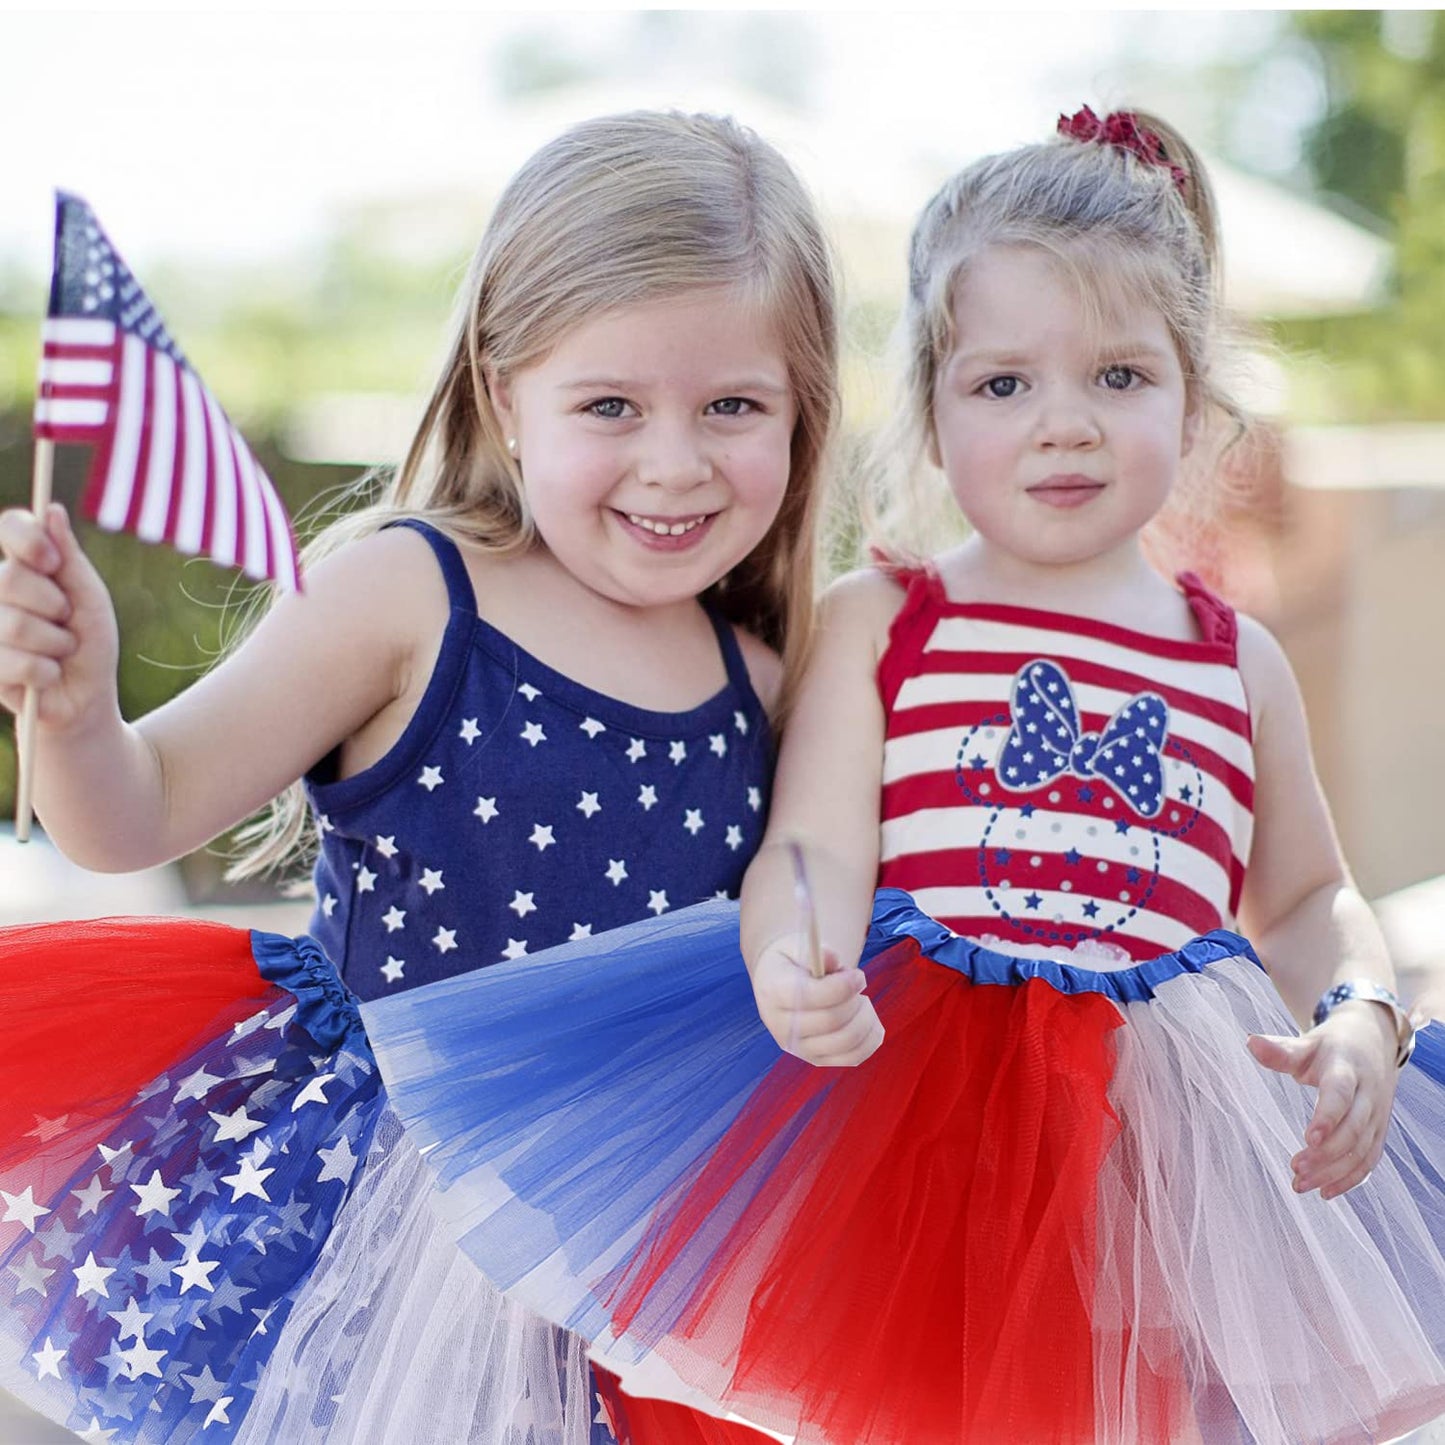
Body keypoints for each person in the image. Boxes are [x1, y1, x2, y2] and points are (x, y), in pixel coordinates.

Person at [353, 108, 1445, 1445]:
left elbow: (1311, 894)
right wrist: (788, 956)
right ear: (928, 408)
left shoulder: (1237, 660)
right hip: (926, 1134)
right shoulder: (889, 621)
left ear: (1195, 394)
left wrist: (1357, 1015)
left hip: (1169, 1150)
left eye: (1118, 376)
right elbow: (806, 849)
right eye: (1001, 384)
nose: (1063, 427)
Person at [0, 109, 835, 1444]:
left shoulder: (774, 685)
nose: (674, 462)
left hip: (634, 1250)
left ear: (803, 412)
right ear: (507, 394)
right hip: (379, 1224)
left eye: (732, 406)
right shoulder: (408, 590)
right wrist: (78, 702)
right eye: (610, 405)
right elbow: (131, 812)